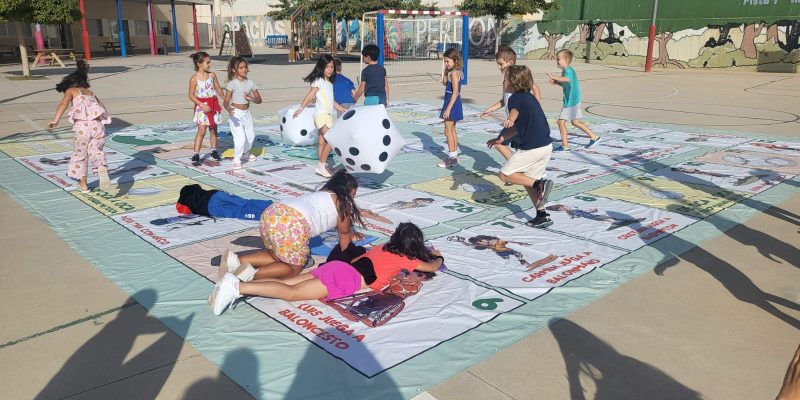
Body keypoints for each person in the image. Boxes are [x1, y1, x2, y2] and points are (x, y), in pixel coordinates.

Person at [209, 222, 444, 316]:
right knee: (291, 293)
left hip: (337, 267)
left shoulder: (383, 247)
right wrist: (438, 255)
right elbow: (432, 266)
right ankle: (237, 287)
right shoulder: (406, 259)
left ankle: (240, 285)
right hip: (346, 278)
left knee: (287, 284)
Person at [217, 169, 364, 284]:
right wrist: (346, 259)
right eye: (353, 194)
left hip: (271, 213)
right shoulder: (343, 202)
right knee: (293, 268)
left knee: (275, 255)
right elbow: (344, 234)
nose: (353, 198)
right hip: (291, 223)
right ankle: (248, 274)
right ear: (347, 192)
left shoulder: (321, 194)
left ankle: (236, 261)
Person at [487, 65, 554, 228]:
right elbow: (518, 127)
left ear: (513, 82)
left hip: (532, 148)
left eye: (505, 79)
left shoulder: (515, 99)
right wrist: (501, 138)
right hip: (546, 146)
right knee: (527, 181)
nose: (503, 82)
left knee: (504, 175)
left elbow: (514, 114)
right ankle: (542, 215)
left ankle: (540, 184)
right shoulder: (529, 97)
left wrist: (509, 119)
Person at [47, 60, 111, 193]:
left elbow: (63, 104)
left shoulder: (71, 90)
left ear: (71, 83)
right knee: (95, 148)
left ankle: (83, 185)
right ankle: (101, 166)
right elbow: (103, 109)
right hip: (97, 125)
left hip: (82, 127)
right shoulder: (91, 93)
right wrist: (104, 120)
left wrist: (56, 120)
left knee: (80, 155)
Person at [480, 46, 542, 162]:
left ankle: (518, 167)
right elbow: (505, 100)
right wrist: (489, 110)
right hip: (513, 121)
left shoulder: (517, 78)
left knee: (500, 143)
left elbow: (535, 88)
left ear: (511, 62)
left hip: (519, 120)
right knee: (515, 147)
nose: (499, 67)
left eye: (501, 64)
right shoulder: (507, 78)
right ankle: (518, 166)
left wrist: (535, 105)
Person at [294, 55, 348, 178]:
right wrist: (301, 108)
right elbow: (310, 95)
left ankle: (323, 164)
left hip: (328, 115)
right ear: (321, 67)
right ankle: (321, 165)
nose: (330, 70)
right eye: (327, 67)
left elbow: (331, 101)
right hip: (321, 115)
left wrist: (341, 109)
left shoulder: (329, 83)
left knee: (322, 142)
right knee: (333, 139)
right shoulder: (319, 80)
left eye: (332, 67)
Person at [547, 49, 600, 151]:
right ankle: (594, 137)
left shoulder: (569, 71)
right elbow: (565, 83)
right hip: (572, 101)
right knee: (575, 122)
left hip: (571, 102)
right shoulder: (565, 71)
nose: (557, 61)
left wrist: (555, 77)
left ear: (566, 60)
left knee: (560, 122)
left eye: (558, 59)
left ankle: (565, 146)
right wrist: (556, 82)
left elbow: (567, 80)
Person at [223, 56, 262, 169]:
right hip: (235, 113)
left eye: (245, 67)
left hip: (246, 113)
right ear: (234, 70)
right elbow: (226, 101)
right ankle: (237, 158)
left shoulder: (250, 83)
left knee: (251, 136)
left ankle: (245, 153)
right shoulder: (232, 84)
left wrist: (251, 98)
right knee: (240, 138)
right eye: (241, 68)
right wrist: (228, 108)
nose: (244, 69)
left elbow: (259, 100)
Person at [188, 51, 225, 166]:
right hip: (202, 107)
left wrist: (224, 98)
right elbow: (191, 95)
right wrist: (201, 105)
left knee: (213, 130)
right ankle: (196, 154)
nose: (210, 64)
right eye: (207, 62)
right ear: (199, 64)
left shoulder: (212, 75)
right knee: (202, 131)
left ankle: (214, 150)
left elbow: (217, 87)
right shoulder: (194, 79)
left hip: (213, 105)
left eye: (210, 62)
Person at [176, 184, 273, 221]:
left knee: (239, 212)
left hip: (210, 208)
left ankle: (264, 216)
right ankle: (269, 205)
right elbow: (198, 187)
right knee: (244, 203)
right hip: (216, 194)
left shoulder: (181, 201)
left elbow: (184, 211)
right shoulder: (194, 188)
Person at [437, 48, 464, 168]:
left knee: (448, 131)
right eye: (445, 62)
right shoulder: (453, 72)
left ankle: (452, 158)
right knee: (451, 129)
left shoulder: (454, 73)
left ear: (456, 60)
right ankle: (454, 155)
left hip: (451, 103)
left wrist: (448, 109)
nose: (446, 64)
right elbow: (444, 82)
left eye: (448, 61)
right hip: (452, 102)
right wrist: (445, 70)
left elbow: (455, 92)